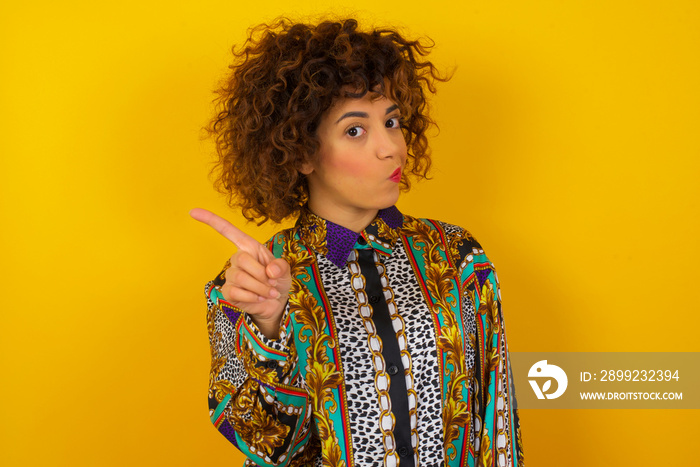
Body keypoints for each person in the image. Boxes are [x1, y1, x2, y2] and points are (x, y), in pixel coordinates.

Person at [191, 17, 524, 467]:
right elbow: (266, 447)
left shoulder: (458, 256)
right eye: (355, 129)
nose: (391, 148)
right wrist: (268, 327)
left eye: (392, 121)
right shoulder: (244, 288)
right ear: (302, 151)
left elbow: (496, 420)